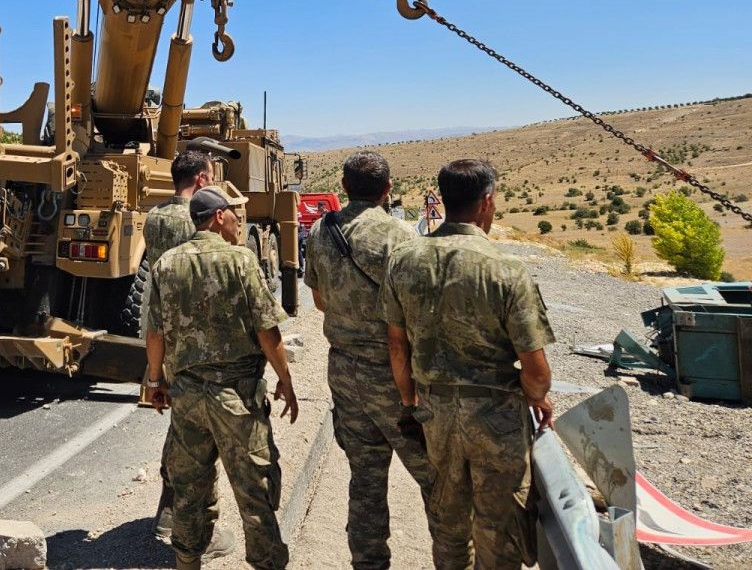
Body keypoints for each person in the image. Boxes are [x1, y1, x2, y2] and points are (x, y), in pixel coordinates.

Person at [381, 159, 556, 570]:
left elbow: (397, 347)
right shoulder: (507, 269)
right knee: (499, 530)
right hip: (496, 418)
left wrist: (410, 402)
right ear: (487, 202)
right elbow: (536, 371)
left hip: (435, 414)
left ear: (444, 199)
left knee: (448, 526)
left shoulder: (404, 260)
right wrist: (537, 397)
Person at [304, 152, 453, 568]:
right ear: (388, 189)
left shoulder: (320, 231)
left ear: (344, 187)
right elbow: (420, 314)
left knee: (365, 481)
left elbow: (320, 301)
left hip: (343, 370)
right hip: (394, 374)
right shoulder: (400, 237)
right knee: (435, 480)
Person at [146, 185, 298, 570]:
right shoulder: (241, 260)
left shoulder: (166, 264)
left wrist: (155, 382)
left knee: (189, 493)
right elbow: (267, 332)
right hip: (237, 398)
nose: (237, 220)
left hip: (187, 399)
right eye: (233, 213)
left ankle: (187, 562)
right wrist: (285, 379)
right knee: (255, 494)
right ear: (218, 217)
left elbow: (155, 334)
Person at [143, 149, 213, 542]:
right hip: (197, 336)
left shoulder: (155, 217)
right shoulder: (199, 218)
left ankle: (170, 504)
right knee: (198, 429)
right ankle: (182, 513)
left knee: (181, 421)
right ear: (200, 179)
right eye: (210, 176)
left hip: (163, 332)